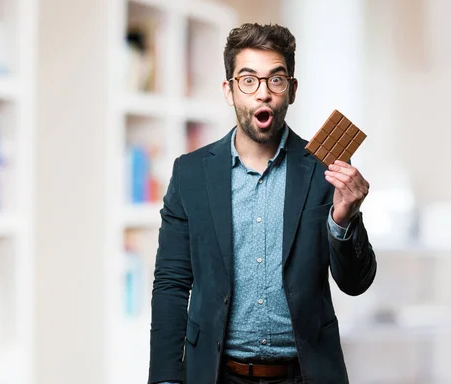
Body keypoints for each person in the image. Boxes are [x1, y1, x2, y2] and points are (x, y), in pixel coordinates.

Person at [148, 23, 377, 384]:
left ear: (292, 90)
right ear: (229, 90)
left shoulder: (324, 173)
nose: (263, 94)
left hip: (306, 374)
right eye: (248, 80)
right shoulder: (190, 174)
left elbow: (355, 282)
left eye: (276, 80)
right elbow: (171, 284)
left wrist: (344, 219)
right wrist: (164, 378)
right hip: (216, 374)